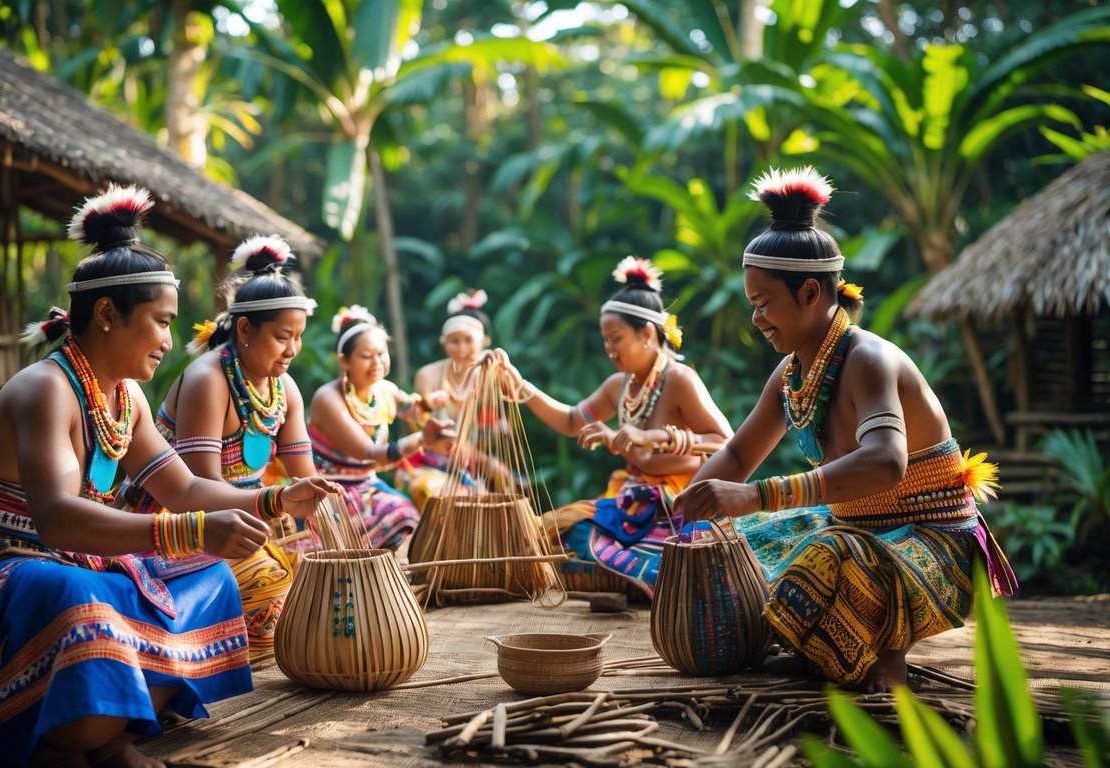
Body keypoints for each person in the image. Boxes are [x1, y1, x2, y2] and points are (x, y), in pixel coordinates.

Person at [0, 186, 338, 768]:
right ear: (107, 315)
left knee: (214, 579)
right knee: (76, 595)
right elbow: (59, 518)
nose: (171, 339)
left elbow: (185, 489)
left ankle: (101, 731)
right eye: (161, 322)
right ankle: (70, 734)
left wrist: (275, 497)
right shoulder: (46, 387)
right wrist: (188, 531)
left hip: (66, 563)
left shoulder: (127, 399)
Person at [671, 166, 1016, 692]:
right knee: (742, 543)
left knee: (825, 558)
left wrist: (758, 495)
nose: (757, 320)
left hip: (933, 544)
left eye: (763, 304)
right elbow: (739, 458)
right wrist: (687, 512)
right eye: (753, 306)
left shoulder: (869, 360)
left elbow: (886, 462)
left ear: (810, 292)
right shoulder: (791, 374)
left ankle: (887, 649)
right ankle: (827, 649)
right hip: (858, 532)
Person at [121, 233, 318, 662]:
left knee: (318, 570)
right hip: (182, 521)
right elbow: (198, 489)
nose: (293, 350)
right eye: (283, 336)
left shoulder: (285, 388)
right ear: (245, 328)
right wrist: (275, 503)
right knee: (272, 582)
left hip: (251, 514)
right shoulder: (210, 379)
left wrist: (321, 513)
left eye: (298, 336)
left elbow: (305, 475)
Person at [496, 257, 733, 596]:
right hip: (633, 502)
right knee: (557, 532)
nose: (609, 349)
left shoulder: (680, 379)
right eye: (605, 340)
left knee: (597, 547)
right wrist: (520, 387)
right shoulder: (619, 385)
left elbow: (726, 442)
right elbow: (570, 420)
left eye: (616, 339)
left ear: (647, 334)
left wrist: (655, 436)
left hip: (679, 504)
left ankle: (648, 577)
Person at [306, 306, 453, 552]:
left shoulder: (385, 390)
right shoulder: (328, 398)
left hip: (367, 487)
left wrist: (436, 400)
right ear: (344, 360)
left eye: (381, 353)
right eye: (366, 356)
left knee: (415, 521)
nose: (377, 363)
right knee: (397, 515)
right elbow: (369, 452)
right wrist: (422, 438)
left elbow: (413, 408)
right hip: (329, 493)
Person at [402, 289, 505, 506]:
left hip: (469, 470)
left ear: (484, 341)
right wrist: (486, 461)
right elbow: (422, 429)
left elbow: (494, 431)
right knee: (433, 494)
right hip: (427, 464)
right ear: (443, 342)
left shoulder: (490, 378)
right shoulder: (427, 375)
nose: (462, 348)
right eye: (454, 341)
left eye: (469, 340)